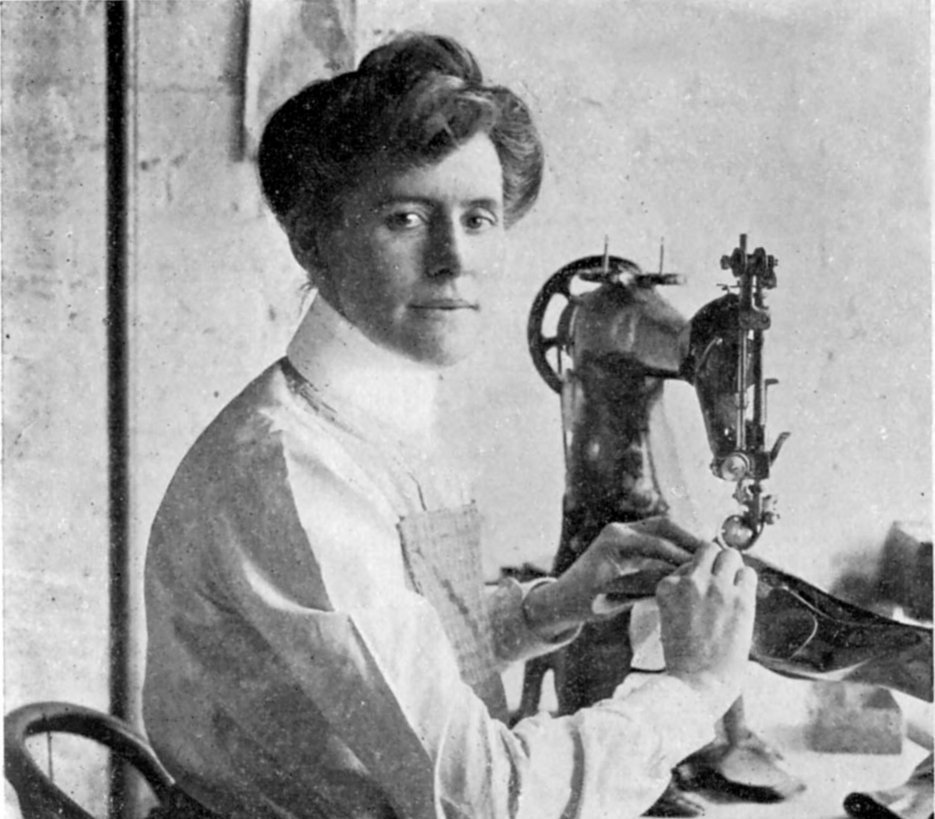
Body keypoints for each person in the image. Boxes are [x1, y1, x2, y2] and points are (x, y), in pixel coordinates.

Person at [143, 32, 757, 819]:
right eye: (404, 217)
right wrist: (694, 687)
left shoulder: (374, 416)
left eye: (478, 218)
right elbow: (484, 800)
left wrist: (548, 606)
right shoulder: (295, 467)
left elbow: (391, 661)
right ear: (312, 241)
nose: (453, 259)